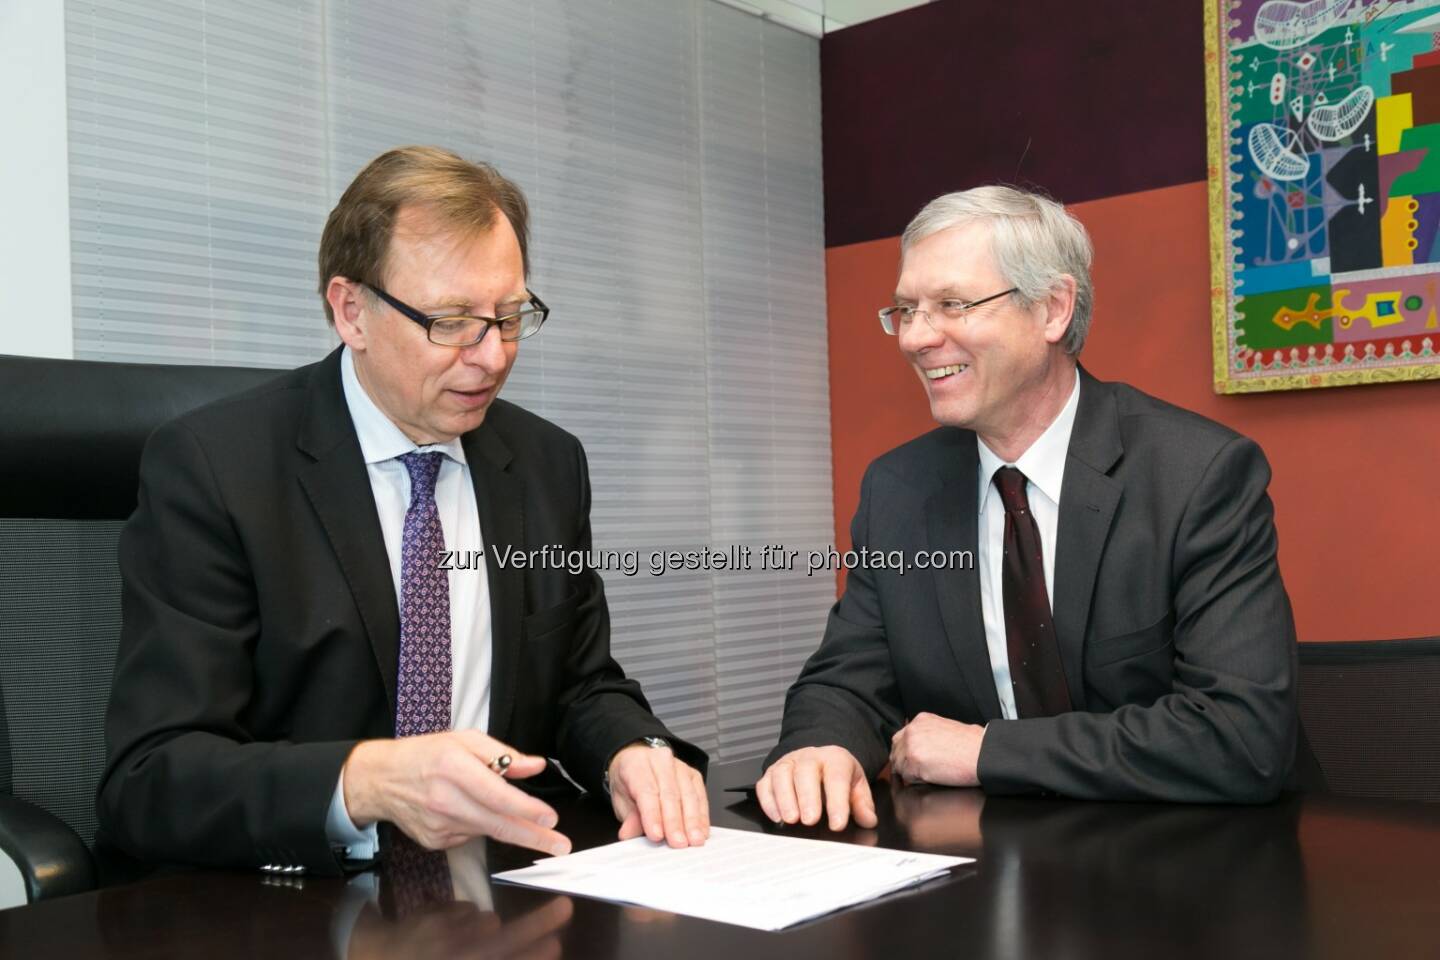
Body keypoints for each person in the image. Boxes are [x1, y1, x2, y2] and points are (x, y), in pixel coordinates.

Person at [98, 146, 709, 876]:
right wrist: (369, 782)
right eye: (452, 322)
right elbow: (152, 776)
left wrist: (631, 752)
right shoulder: (215, 468)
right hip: (287, 897)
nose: (492, 357)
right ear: (351, 310)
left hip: (497, 887)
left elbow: (579, 683)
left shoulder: (545, 465)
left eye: (510, 316)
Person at [756, 185, 1300, 830]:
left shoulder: (1197, 475)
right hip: (978, 877)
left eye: (952, 304)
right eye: (906, 310)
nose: (916, 338)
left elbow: (1241, 736)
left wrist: (987, 751)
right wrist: (822, 746)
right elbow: (847, 680)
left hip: (1186, 875)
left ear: (1052, 309)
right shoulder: (899, 489)